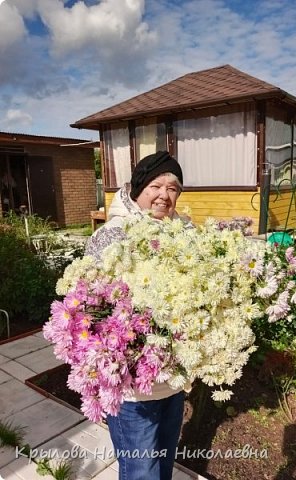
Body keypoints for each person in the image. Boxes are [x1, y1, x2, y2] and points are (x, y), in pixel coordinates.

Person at [85, 151, 187, 480]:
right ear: (138, 188)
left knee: (165, 463)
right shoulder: (112, 236)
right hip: (132, 388)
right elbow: (92, 309)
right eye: (156, 185)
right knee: (141, 471)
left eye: (173, 188)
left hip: (172, 381)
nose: (164, 195)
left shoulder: (185, 234)